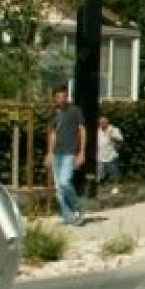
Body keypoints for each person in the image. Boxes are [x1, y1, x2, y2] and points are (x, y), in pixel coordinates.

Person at [45, 84, 85, 225]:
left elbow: (82, 131)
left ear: (67, 97)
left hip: (70, 152)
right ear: (55, 98)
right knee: (58, 188)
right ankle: (68, 216)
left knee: (64, 182)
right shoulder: (55, 113)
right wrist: (49, 152)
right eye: (58, 97)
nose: (61, 99)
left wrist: (81, 152)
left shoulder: (75, 111)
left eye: (63, 96)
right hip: (57, 153)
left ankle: (77, 208)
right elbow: (53, 134)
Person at [96, 116, 124, 193]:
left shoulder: (114, 129)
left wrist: (111, 135)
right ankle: (102, 188)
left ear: (107, 123)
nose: (102, 124)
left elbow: (120, 140)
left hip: (111, 155)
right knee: (100, 174)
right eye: (100, 122)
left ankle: (115, 187)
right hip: (100, 156)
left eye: (104, 122)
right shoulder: (98, 131)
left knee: (114, 173)